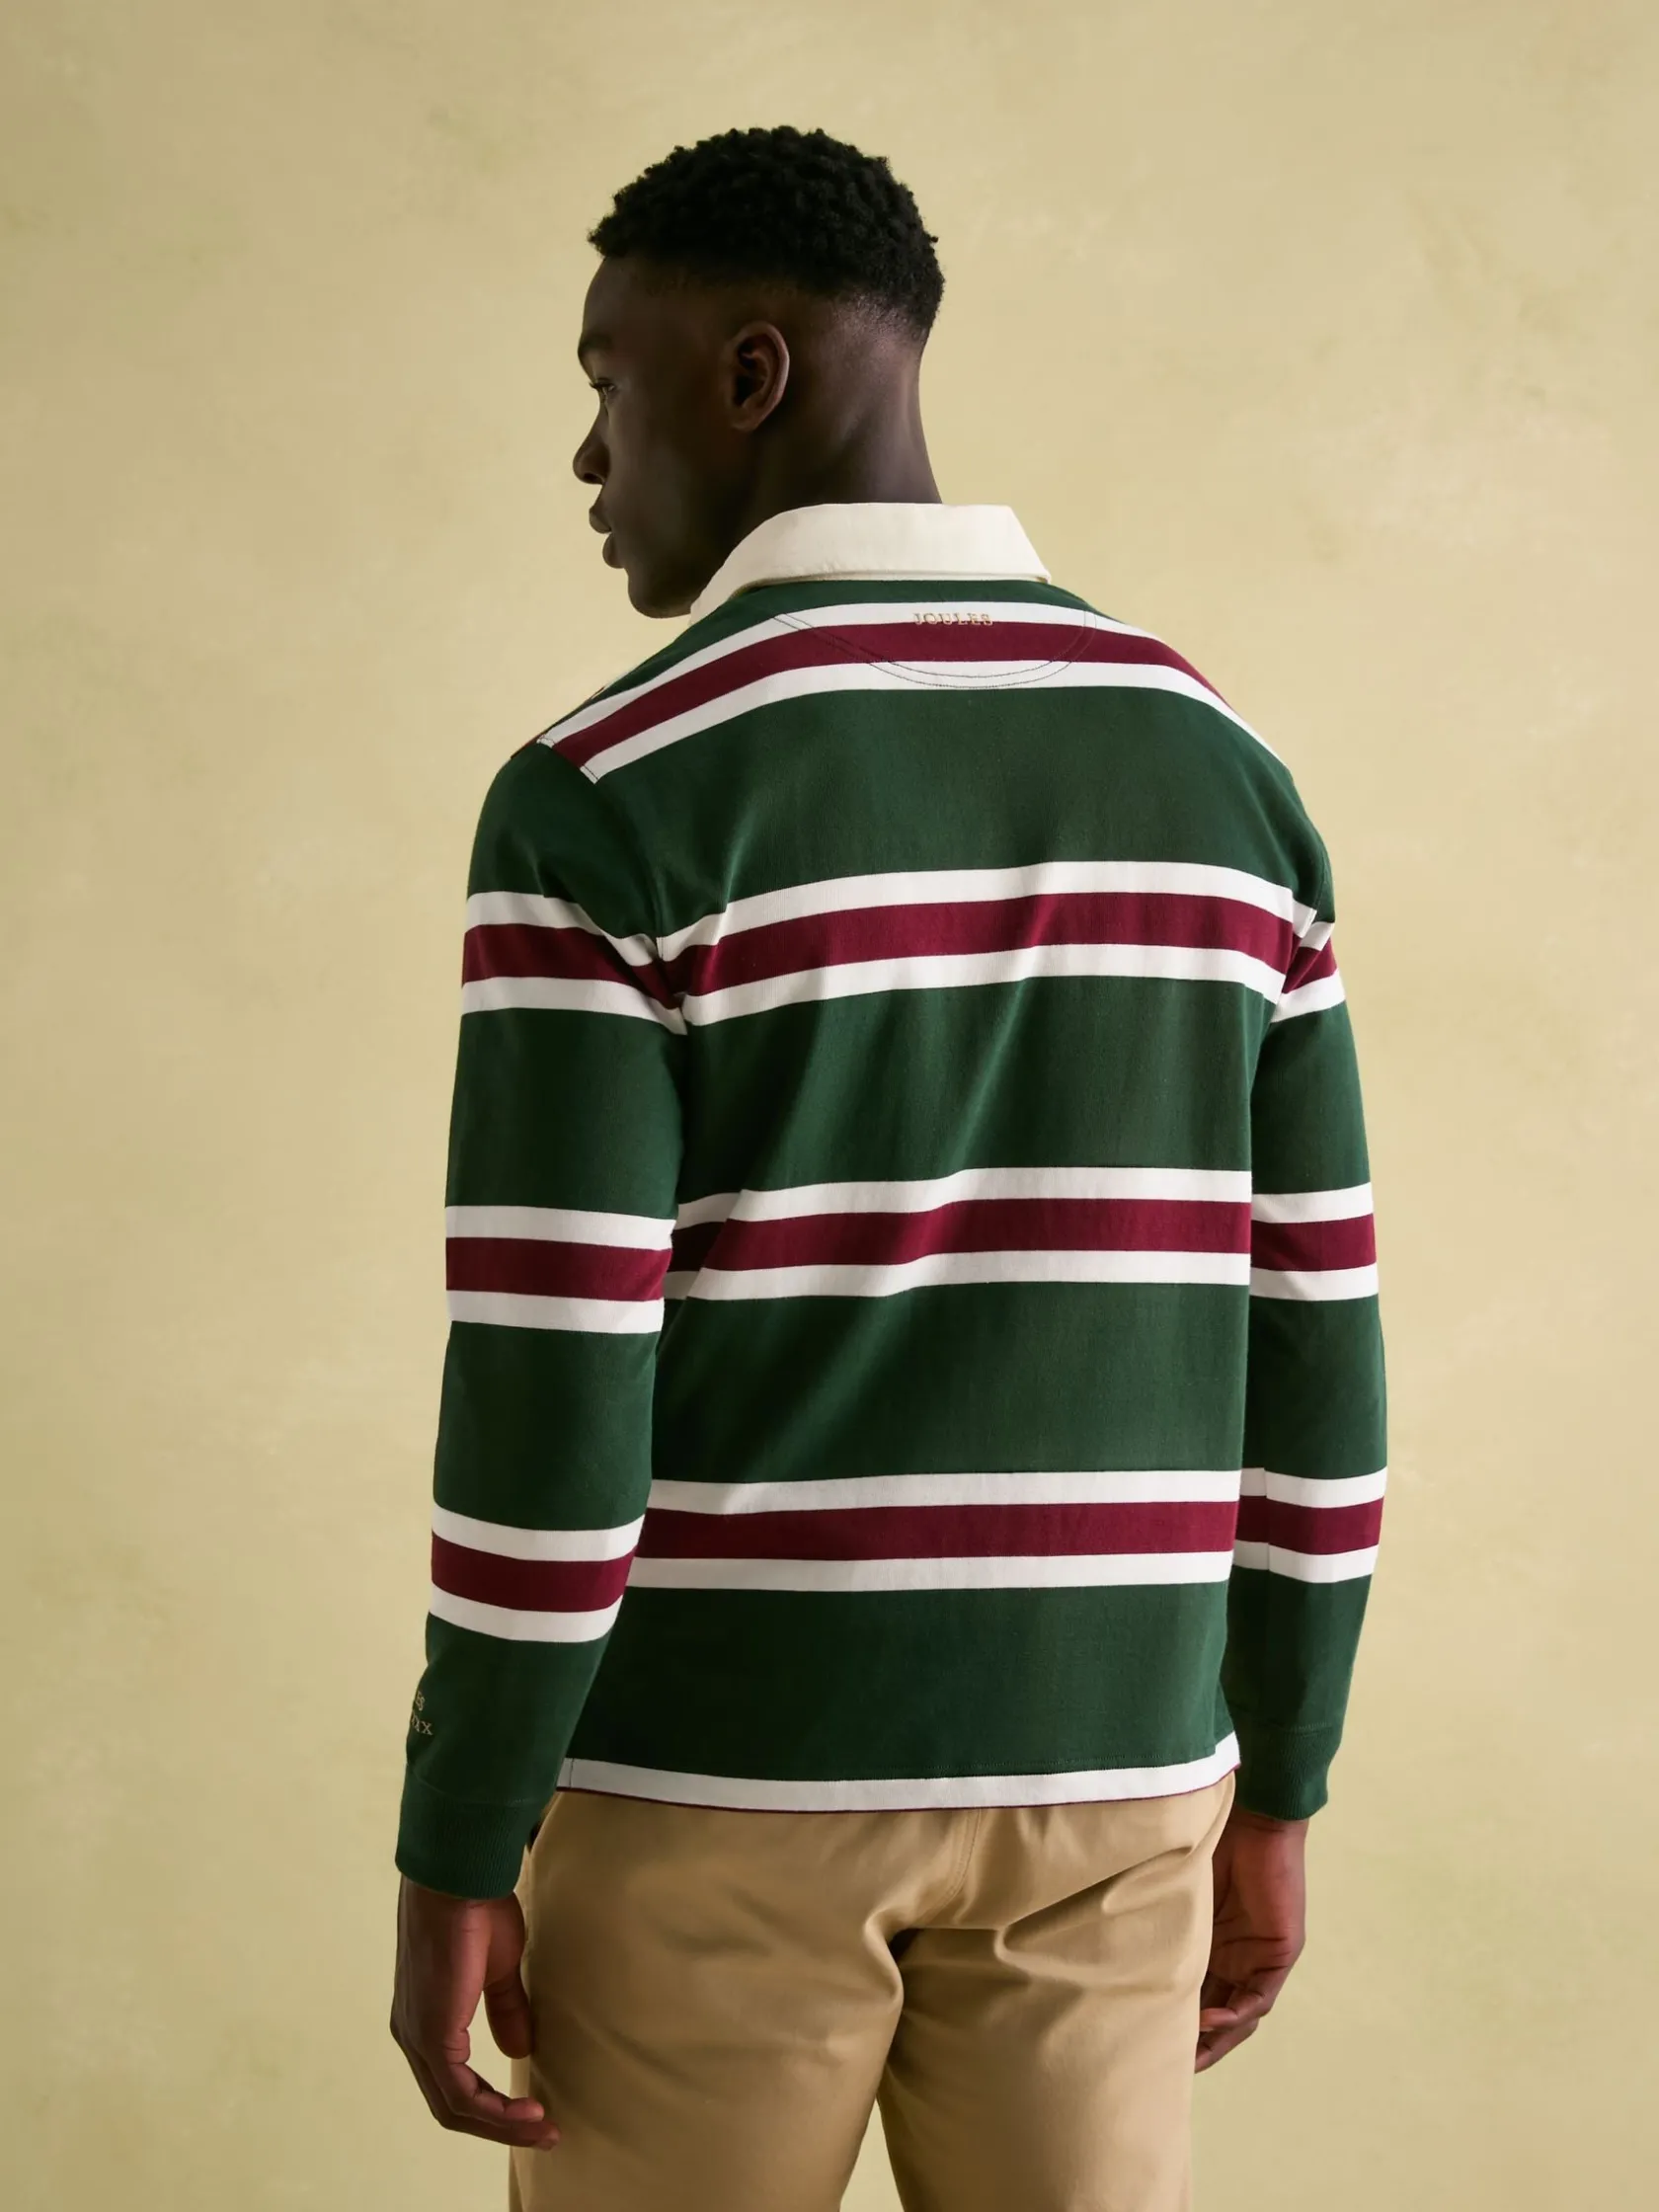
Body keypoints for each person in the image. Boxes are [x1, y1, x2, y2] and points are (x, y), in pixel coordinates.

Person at [389, 124, 1385, 2212]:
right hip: (1117, 1786)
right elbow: (1319, 1344)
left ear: (749, 374)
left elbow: (554, 1400)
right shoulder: (1227, 775)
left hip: (713, 1788)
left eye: (609, 380)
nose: (590, 454)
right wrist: (1282, 1777)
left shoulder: (608, 796)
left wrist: (459, 1837)